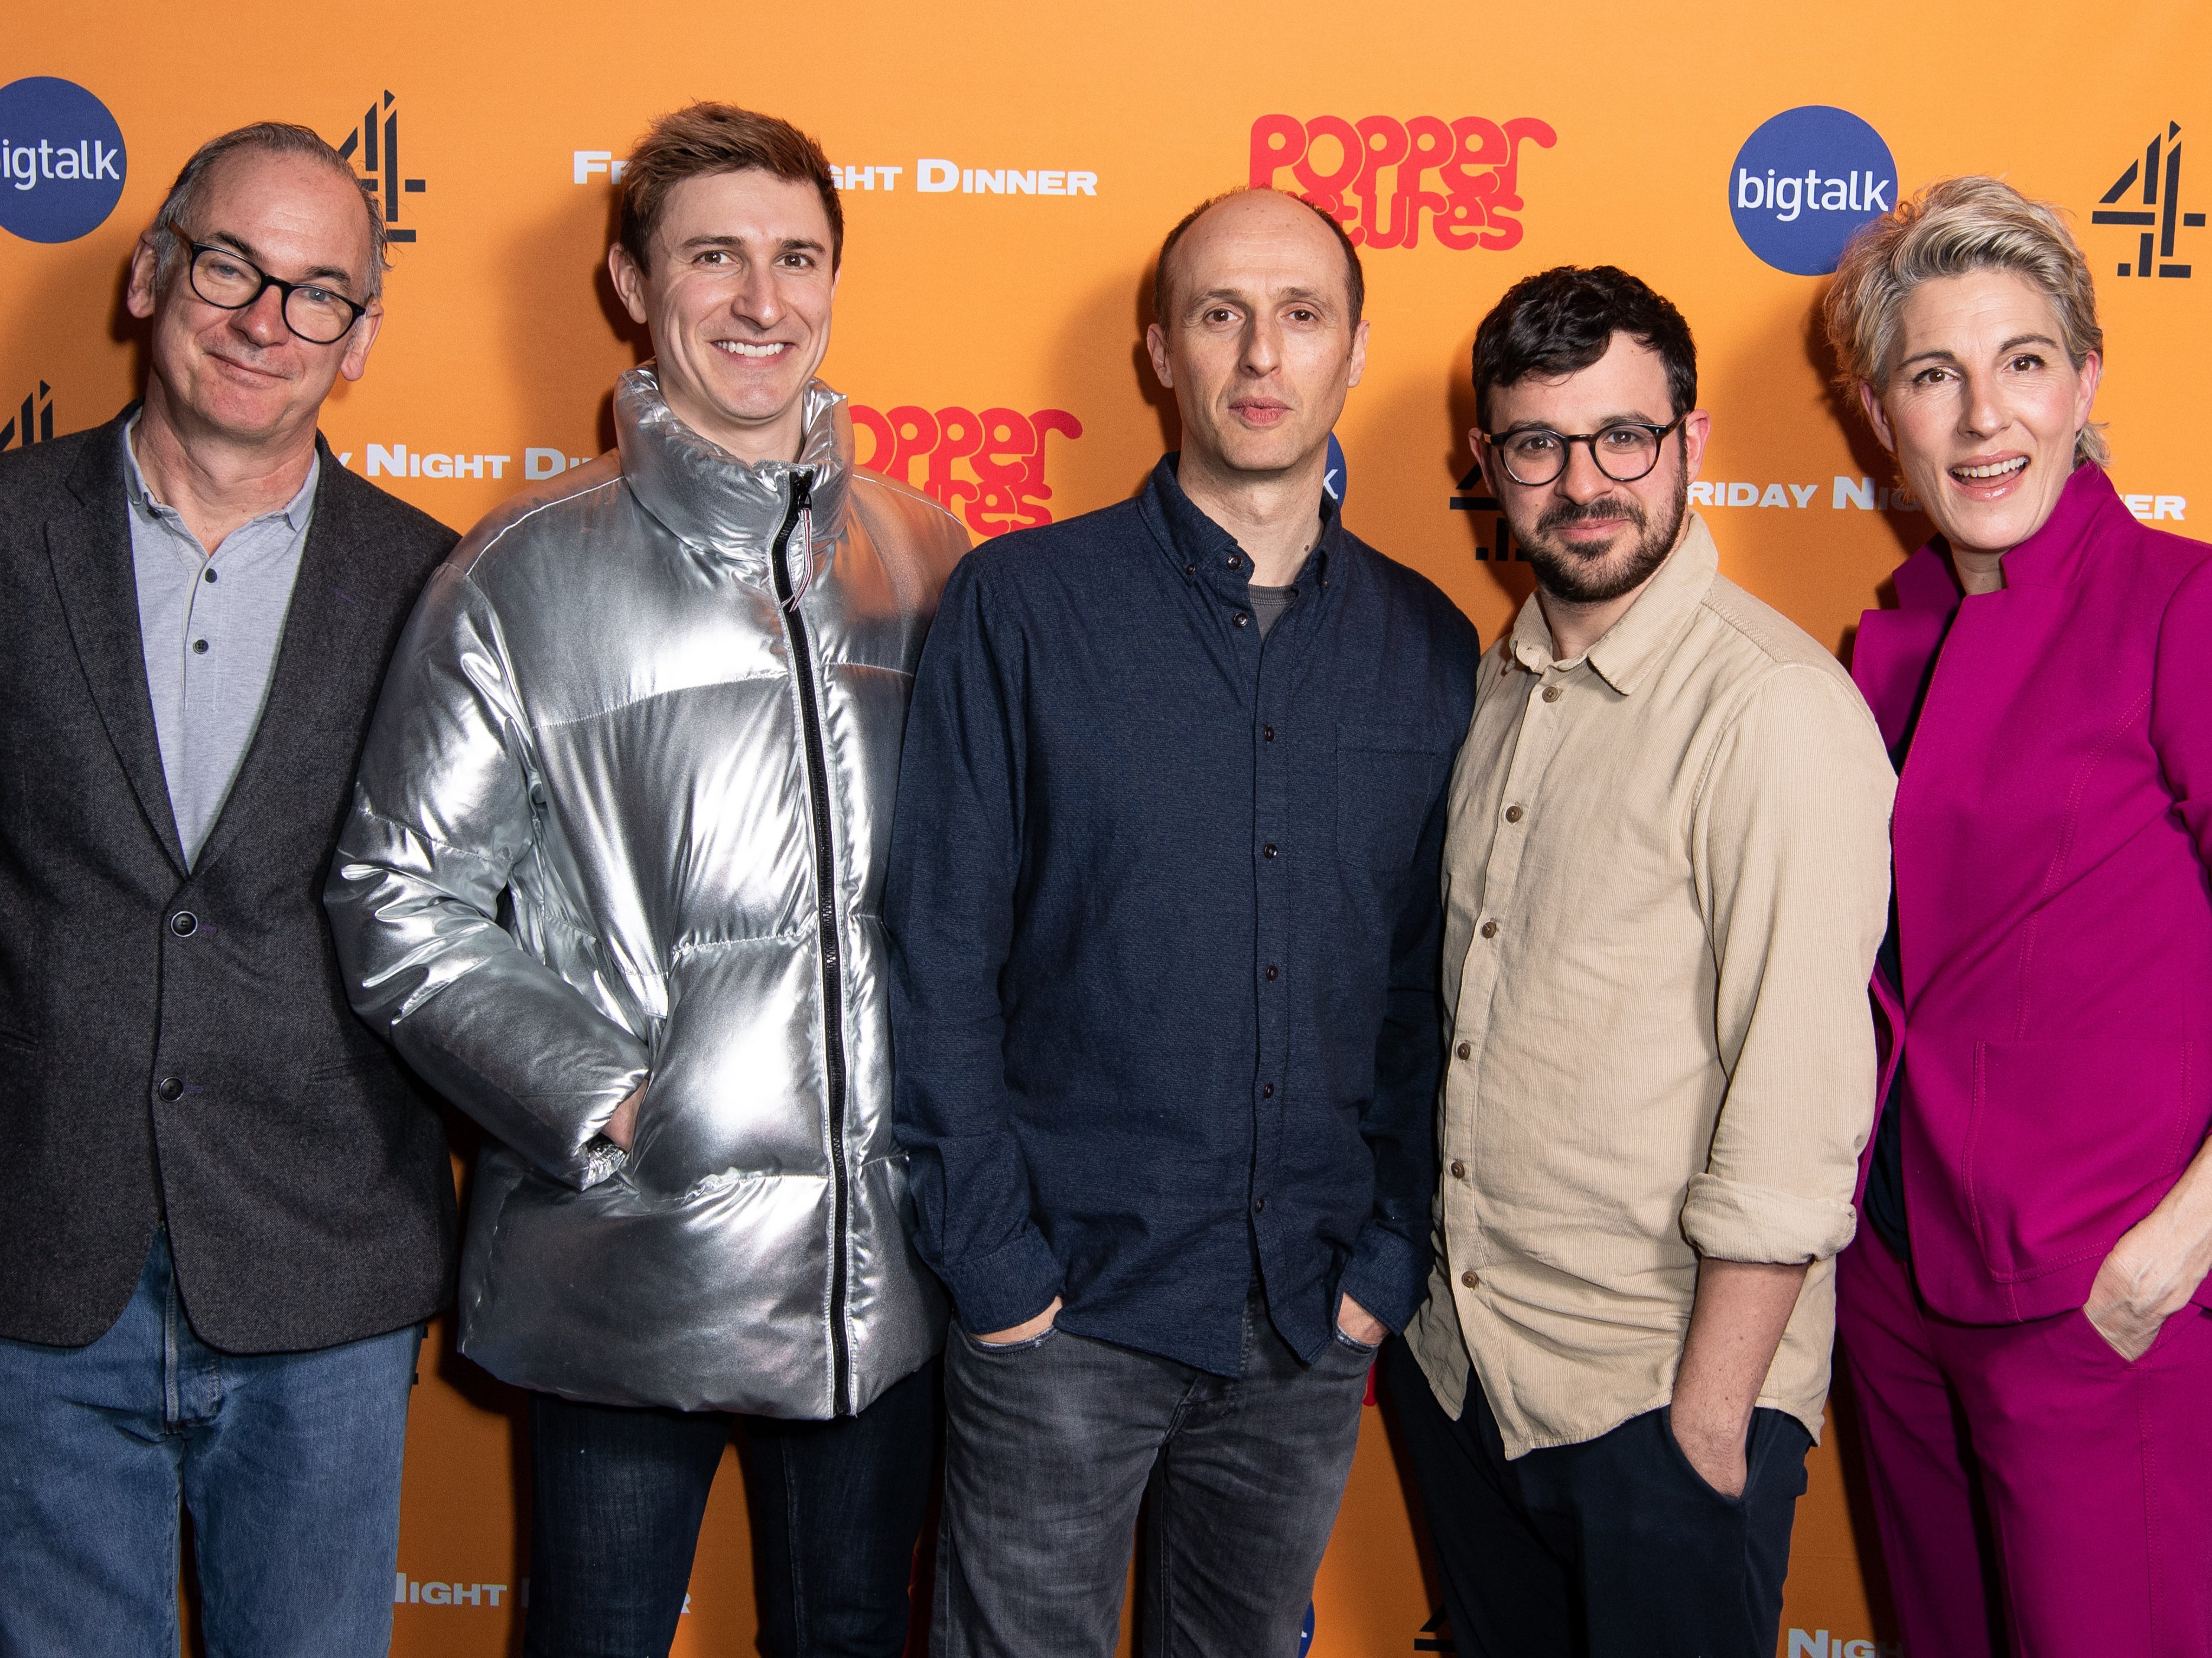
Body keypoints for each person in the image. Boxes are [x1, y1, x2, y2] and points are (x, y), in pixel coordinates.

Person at [323, 105, 967, 1658]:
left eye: (798, 258)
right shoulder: (519, 573)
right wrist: (619, 1102)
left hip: (881, 1296)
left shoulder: (935, 558)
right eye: (716, 258)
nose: (764, 302)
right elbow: (394, 897)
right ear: (630, 283)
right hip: (619, 1271)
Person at [885, 185, 1479, 1658]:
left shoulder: (1430, 645)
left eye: (1301, 315)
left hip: (1308, 1316)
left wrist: (1386, 1262)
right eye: (1221, 315)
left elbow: (1434, 985)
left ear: (1354, 347)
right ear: (1160, 350)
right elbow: (938, 949)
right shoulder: (1019, 604)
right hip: (1064, 1310)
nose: (1261, 355)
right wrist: (1002, 1276)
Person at [1388, 265, 1897, 1658]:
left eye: (1625, 437)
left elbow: (1800, 1103)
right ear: (1488, 463)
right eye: (1540, 446)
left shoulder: (1775, 712)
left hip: (1659, 1406)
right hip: (1474, 1377)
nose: (1585, 483)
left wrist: (1710, 1420)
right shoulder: (1500, 685)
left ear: (1690, 442)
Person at [0, 124, 456, 1656]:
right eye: (230, 267)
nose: (267, 320)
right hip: (37, 1266)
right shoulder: (4, 535)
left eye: (318, 291)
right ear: (150, 274)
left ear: (364, 337)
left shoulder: (442, 586)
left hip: (327, 1268)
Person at [1825, 175, 2212, 1657]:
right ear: (1882, 414)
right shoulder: (1886, 641)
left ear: (2085, 381)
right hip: (1898, 1288)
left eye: (2024, 364)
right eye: (1937, 375)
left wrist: (2178, 1246)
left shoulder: (2178, 607)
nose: (1986, 419)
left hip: (2097, 1303)